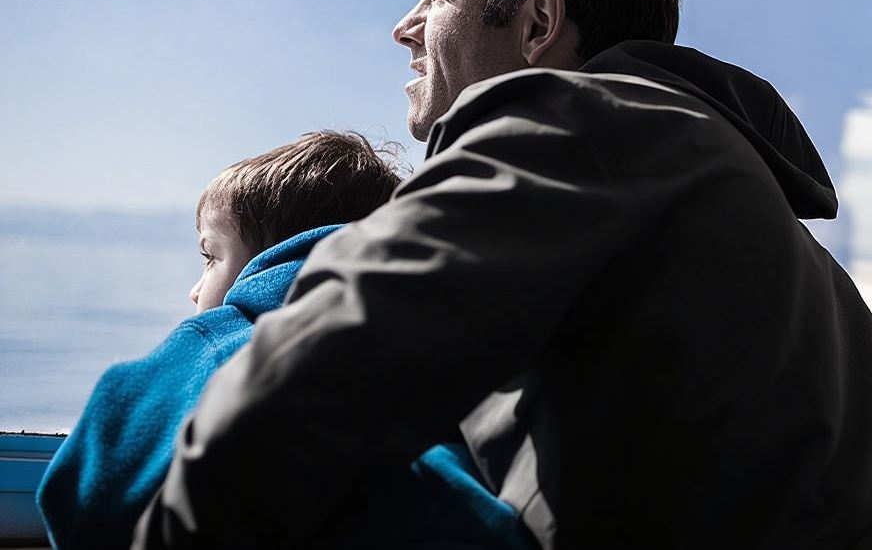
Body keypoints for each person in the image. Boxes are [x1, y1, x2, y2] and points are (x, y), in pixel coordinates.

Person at [135, 0, 872, 549]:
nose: (405, 26)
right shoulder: (706, 183)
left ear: (538, 25)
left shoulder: (579, 124)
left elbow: (321, 368)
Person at [37, 132, 534, 550]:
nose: (195, 290)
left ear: (269, 257)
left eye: (210, 257)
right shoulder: (437, 352)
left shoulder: (226, 340)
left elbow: (83, 498)